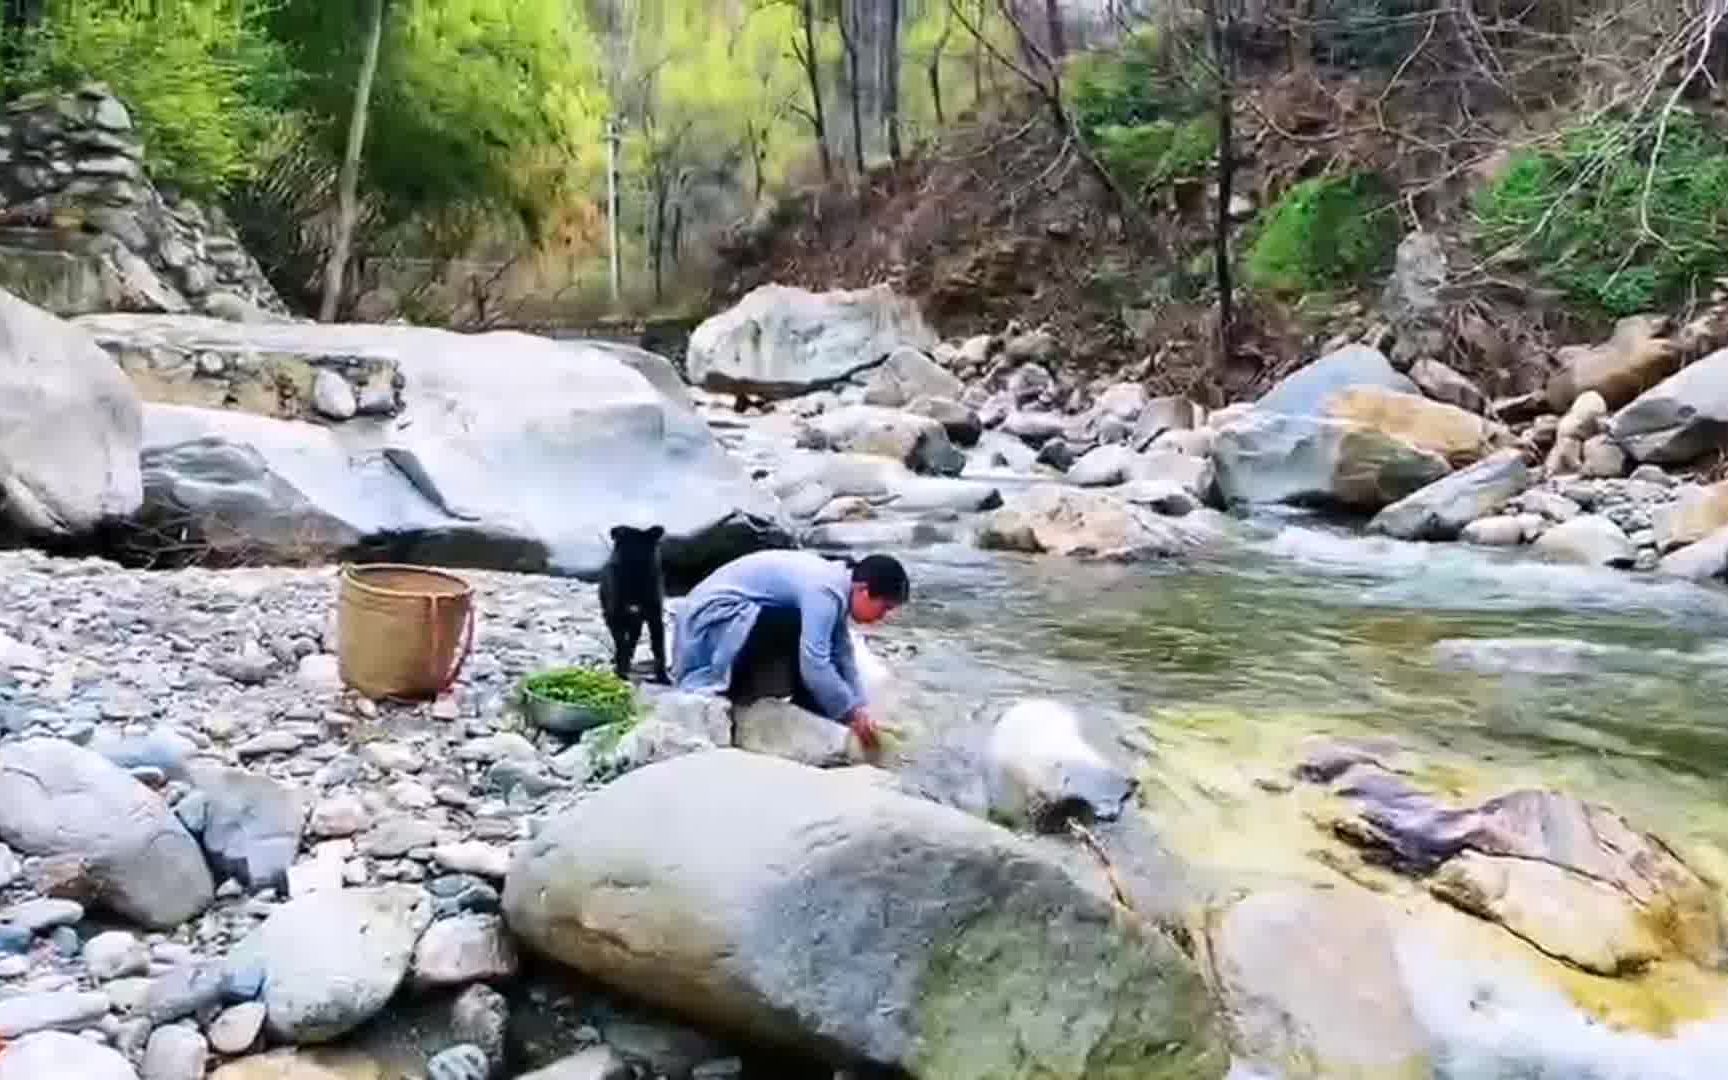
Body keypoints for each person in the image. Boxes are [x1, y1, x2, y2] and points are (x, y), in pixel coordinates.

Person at [672, 550, 909, 750]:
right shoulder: (824, 591)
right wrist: (849, 713)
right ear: (863, 590)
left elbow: (842, 653)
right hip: (709, 624)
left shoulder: (837, 587)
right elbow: (814, 664)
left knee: (822, 647)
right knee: (804, 640)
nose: (882, 618)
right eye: (884, 608)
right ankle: (746, 693)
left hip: (727, 618)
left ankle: (809, 709)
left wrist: (860, 707)